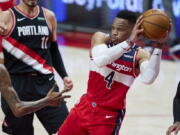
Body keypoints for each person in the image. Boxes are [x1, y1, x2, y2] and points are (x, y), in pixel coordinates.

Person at [58, 10, 170, 135]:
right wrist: (129, 42)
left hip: (108, 117)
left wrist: (159, 45)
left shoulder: (139, 55)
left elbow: (148, 78)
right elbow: (100, 60)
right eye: (113, 28)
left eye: (120, 29)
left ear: (134, 30)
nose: (115, 32)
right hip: (84, 107)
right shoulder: (101, 38)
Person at [0, 0, 73, 135]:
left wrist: (64, 75)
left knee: (67, 131)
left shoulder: (49, 16)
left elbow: (54, 50)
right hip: (16, 85)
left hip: (46, 84)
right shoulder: (6, 17)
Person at [0, 63, 71, 117]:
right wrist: (47, 101)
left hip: (44, 80)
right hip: (18, 80)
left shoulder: (1, 70)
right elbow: (17, 108)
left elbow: (17, 108)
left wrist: (47, 101)